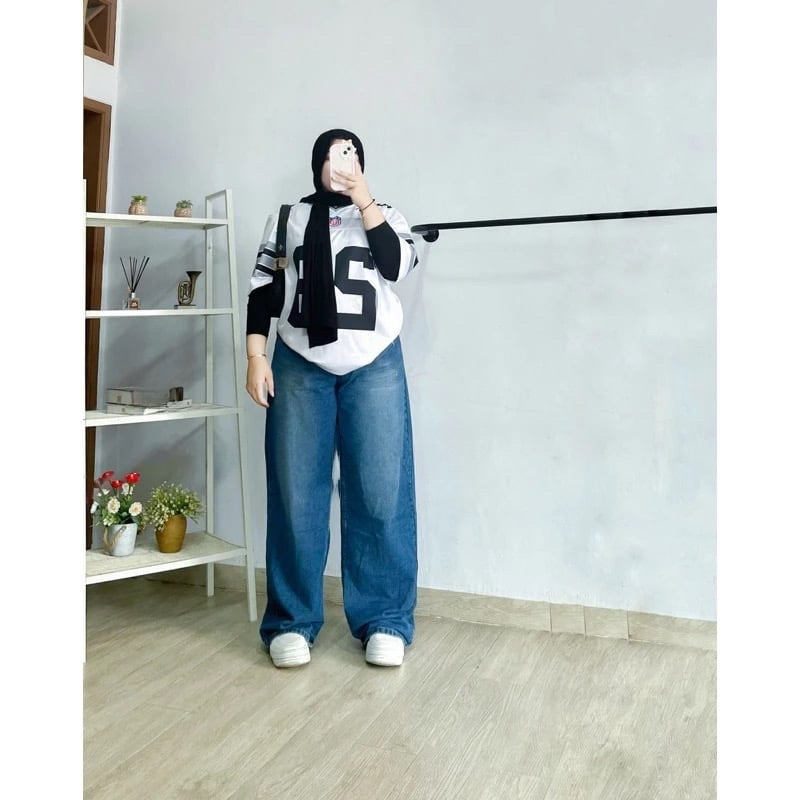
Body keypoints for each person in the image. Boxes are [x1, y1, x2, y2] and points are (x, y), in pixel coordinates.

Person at [245, 128, 419, 668]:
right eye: (332, 153)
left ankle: (385, 618)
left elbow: (395, 266)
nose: (342, 161)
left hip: (375, 362)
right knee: (297, 492)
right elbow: (264, 290)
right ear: (316, 162)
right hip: (300, 362)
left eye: (351, 153)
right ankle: (291, 620)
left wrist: (364, 198)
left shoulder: (387, 215)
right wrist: (256, 355)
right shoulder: (287, 219)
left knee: (382, 489)